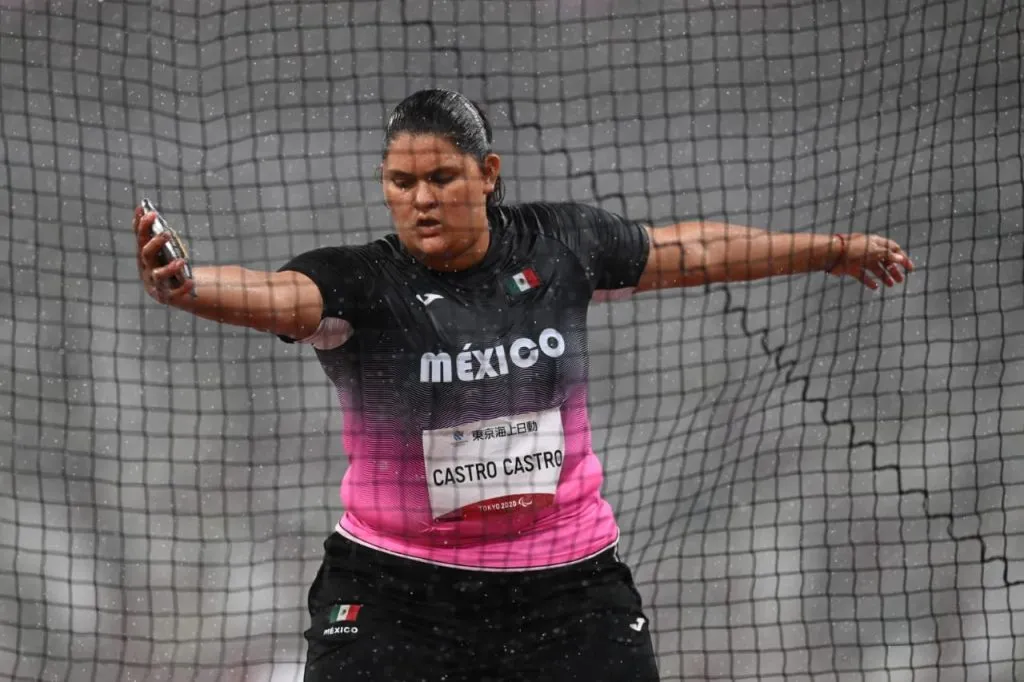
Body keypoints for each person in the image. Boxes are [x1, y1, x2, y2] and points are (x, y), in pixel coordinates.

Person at [133, 88, 914, 681]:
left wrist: (830, 250)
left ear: (488, 174)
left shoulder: (562, 244)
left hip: (567, 590)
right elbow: (277, 294)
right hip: (397, 593)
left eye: (441, 177)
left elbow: (693, 250)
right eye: (401, 182)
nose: (423, 199)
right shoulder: (362, 282)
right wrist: (188, 285)